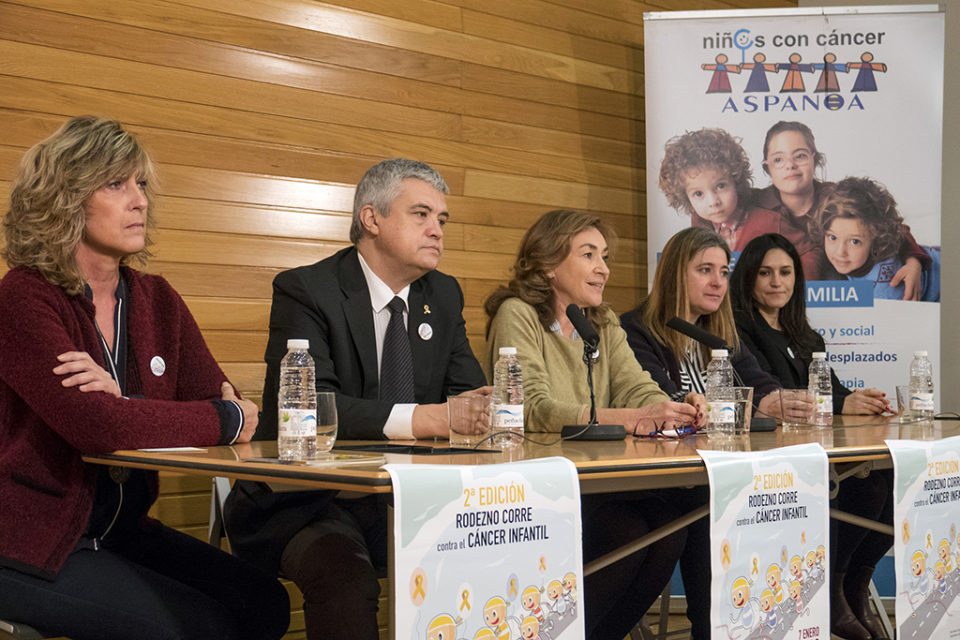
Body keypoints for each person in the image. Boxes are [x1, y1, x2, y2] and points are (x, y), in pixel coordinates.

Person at [0, 116, 289, 640]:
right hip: (26, 541)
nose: (140, 200)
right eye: (116, 184)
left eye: (140, 184)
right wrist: (211, 417)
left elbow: (236, 408)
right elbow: (104, 428)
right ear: (64, 198)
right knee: (202, 627)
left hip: (118, 531)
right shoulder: (24, 297)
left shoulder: (158, 300)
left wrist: (127, 407)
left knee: (264, 601)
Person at [223, 158, 489, 640]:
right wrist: (431, 418)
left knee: (490, 551)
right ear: (372, 219)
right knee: (346, 576)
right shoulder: (306, 289)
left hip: (408, 498)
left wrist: (484, 409)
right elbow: (308, 408)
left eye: (442, 220)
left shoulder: (443, 294)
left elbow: (469, 394)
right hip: (306, 500)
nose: (437, 230)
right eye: (422, 215)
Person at [483, 209, 702, 640]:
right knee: (626, 533)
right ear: (548, 263)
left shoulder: (601, 321)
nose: (603, 268)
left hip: (598, 481)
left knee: (669, 527)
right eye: (589, 255)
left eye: (604, 256)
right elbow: (532, 409)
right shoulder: (519, 314)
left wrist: (671, 408)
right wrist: (632, 419)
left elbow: (637, 387)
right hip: (539, 486)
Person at [619, 226, 792, 640]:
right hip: (664, 477)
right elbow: (665, 403)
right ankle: (711, 629)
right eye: (705, 270)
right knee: (709, 500)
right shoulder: (638, 328)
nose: (718, 282)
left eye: (723, 271)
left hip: (721, 468)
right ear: (676, 274)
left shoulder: (721, 333)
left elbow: (759, 382)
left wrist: (772, 400)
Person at [729, 232, 893, 640]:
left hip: (814, 454)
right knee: (864, 490)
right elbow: (770, 390)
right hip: (769, 463)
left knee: (886, 482)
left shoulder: (804, 334)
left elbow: (828, 390)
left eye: (785, 272)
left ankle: (851, 585)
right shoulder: (737, 332)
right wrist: (834, 403)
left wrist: (852, 400)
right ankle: (832, 594)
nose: (776, 282)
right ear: (748, 277)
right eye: (765, 273)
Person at [752, 120, 929, 294]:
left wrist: (914, 261)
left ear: (816, 159)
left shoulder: (836, 197)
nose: (790, 165)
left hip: (835, 285)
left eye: (800, 156)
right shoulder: (755, 203)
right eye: (778, 159)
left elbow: (890, 226)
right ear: (768, 168)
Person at [813, 177, 940, 301]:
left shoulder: (887, 292)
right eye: (832, 237)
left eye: (854, 241)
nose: (840, 252)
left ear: (877, 241)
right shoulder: (852, 246)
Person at [659, 127, 781, 252]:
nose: (713, 202)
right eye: (698, 193)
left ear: (736, 181)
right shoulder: (698, 231)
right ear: (686, 198)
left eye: (720, 186)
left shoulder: (771, 221)